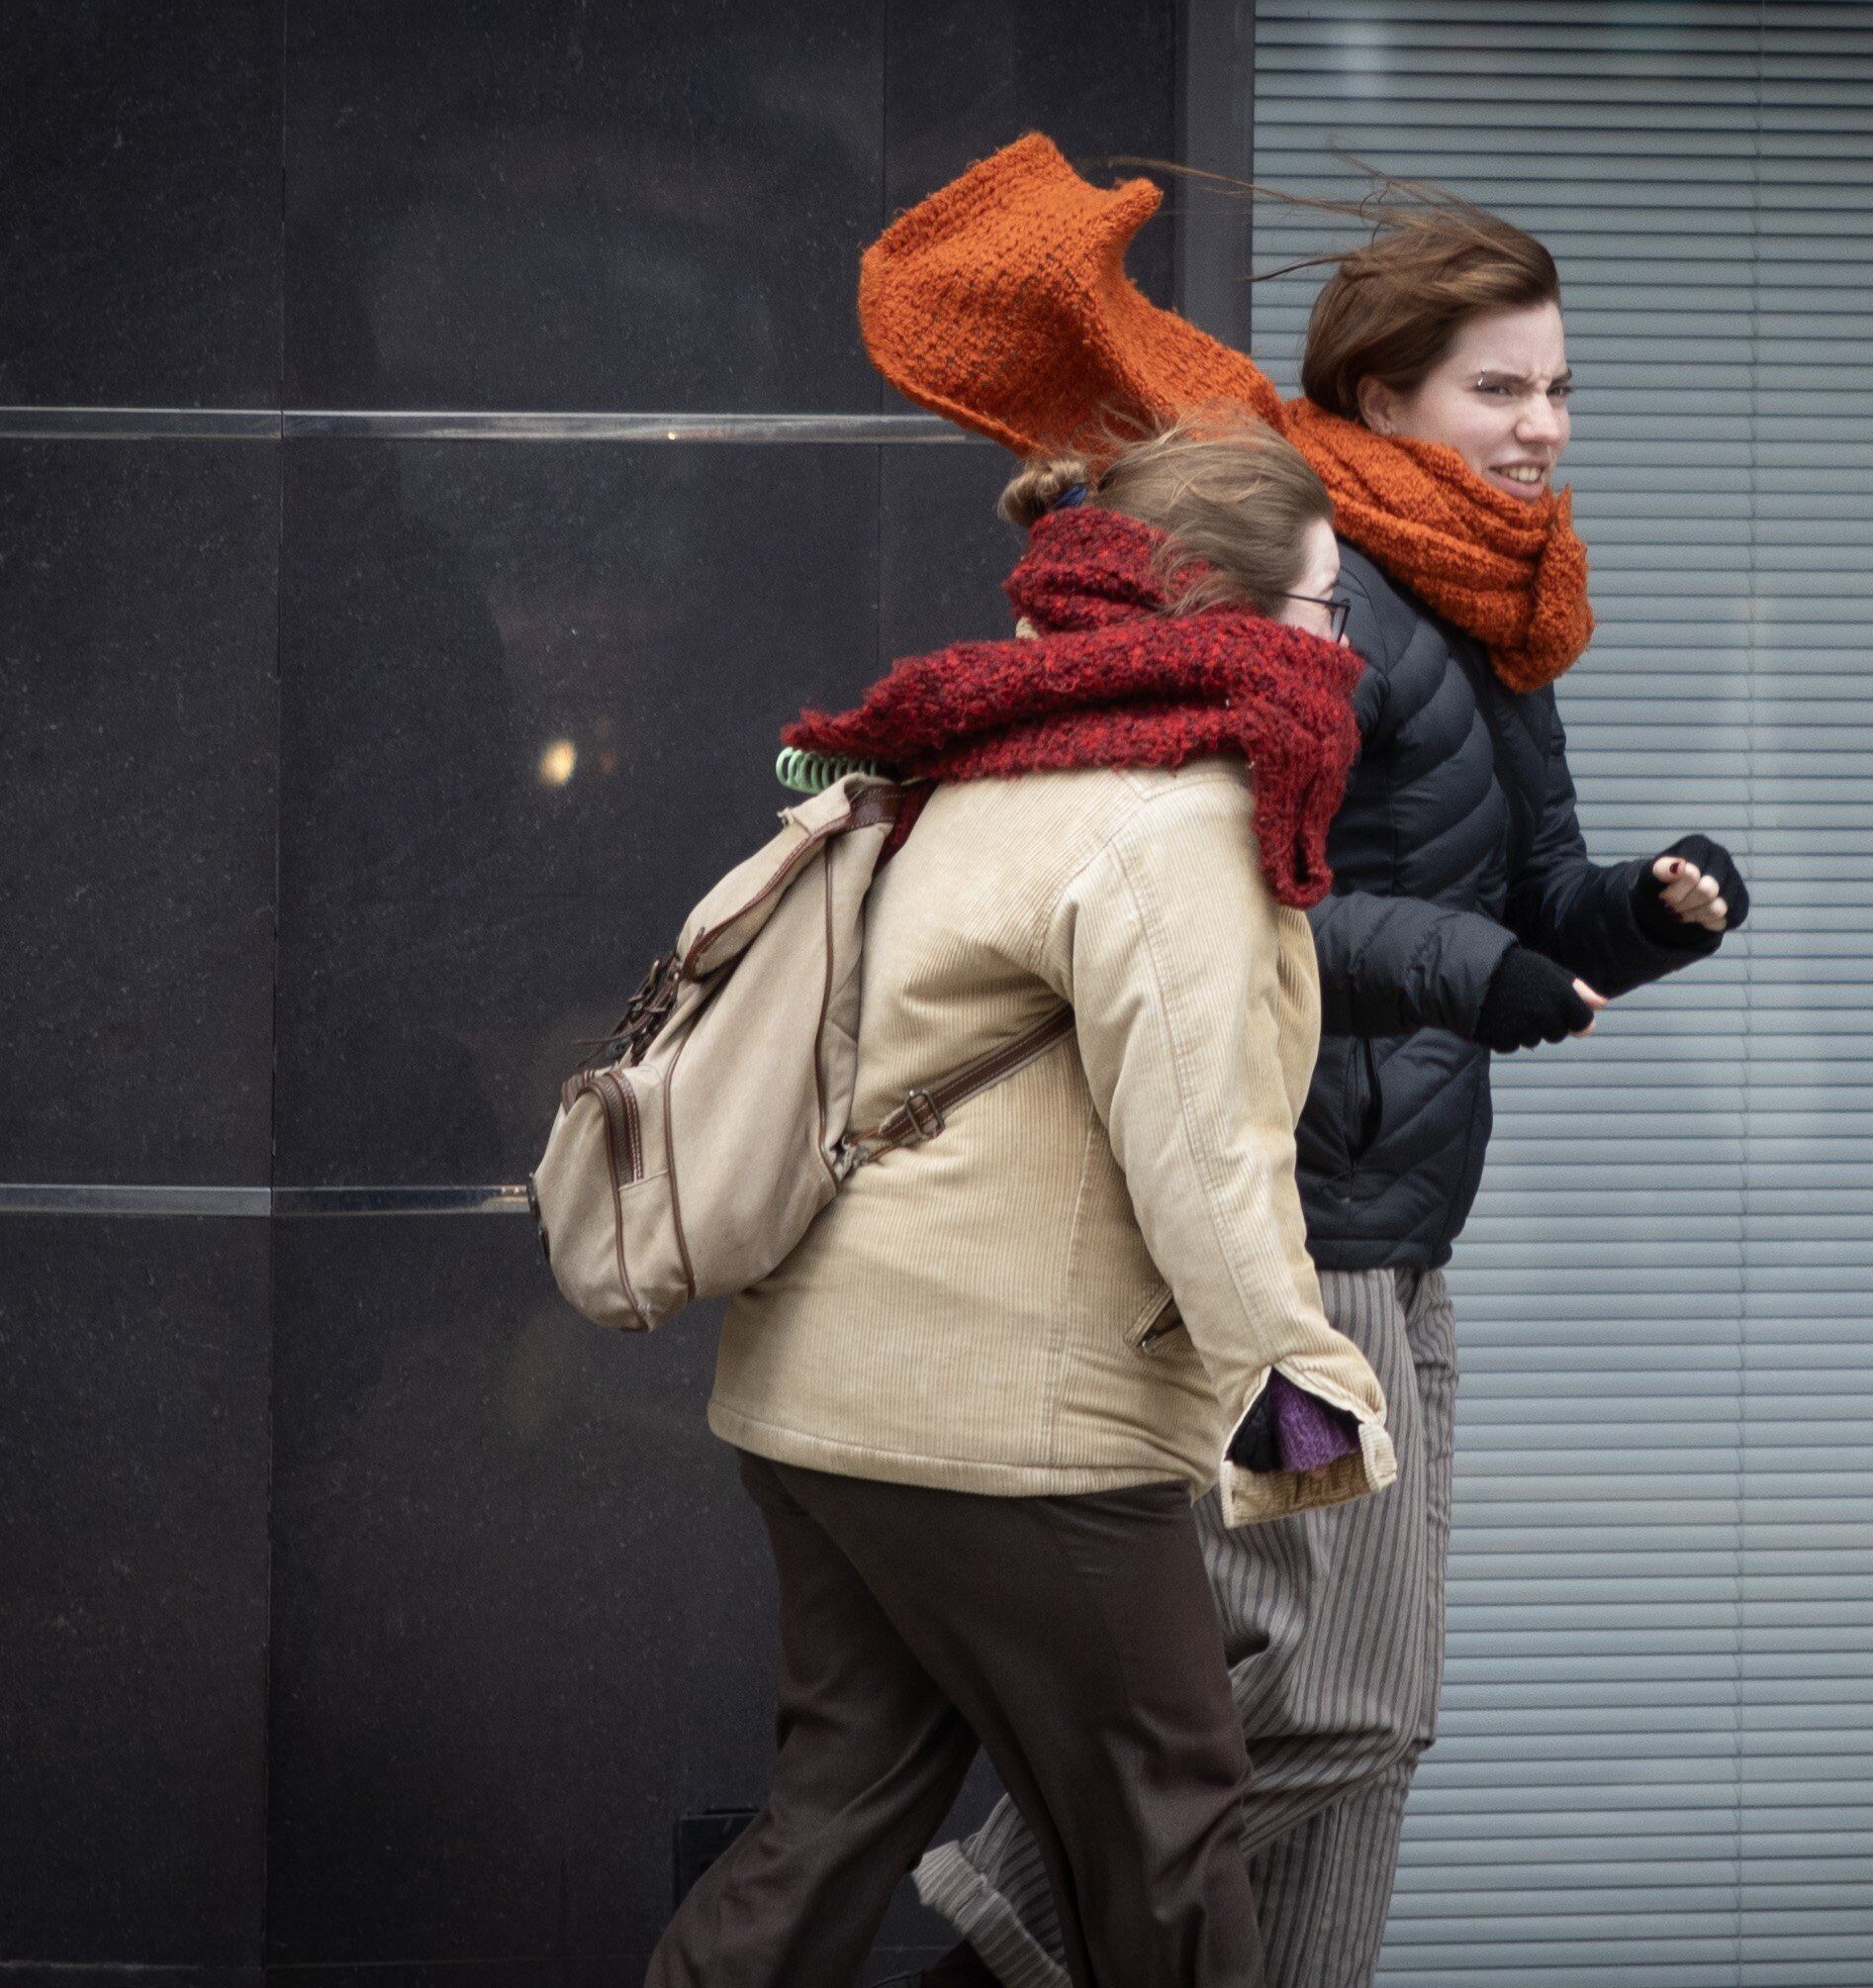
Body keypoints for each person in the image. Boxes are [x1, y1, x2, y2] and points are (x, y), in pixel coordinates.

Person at [861, 140, 1753, 1988]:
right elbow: (1226, 909)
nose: (1541, 428)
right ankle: (979, 1940)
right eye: (1498, 389)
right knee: (1315, 1700)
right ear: (1378, 397)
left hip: (1400, 1245)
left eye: (1560, 387)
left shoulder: (1498, 624)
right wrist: (1477, 967)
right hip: (1285, 1244)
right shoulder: (1306, 594)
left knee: (1382, 1736)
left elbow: (1524, 910)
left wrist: (1642, 916)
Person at [646, 415, 1398, 1988]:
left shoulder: (975, 761)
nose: (1348, 646)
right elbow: (1204, 1145)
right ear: (1232, 609)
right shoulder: (1178, 810)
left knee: (828, 1818)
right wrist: (1304, 1391)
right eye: (1332, 606)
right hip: (1017, 1435)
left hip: (817, 1398)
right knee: (1165, 1839)